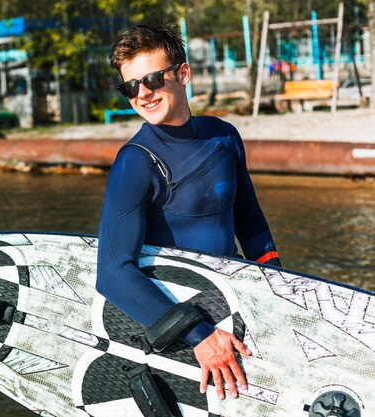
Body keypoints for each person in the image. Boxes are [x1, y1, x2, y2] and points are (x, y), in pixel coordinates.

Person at [96, 24, 281, 402]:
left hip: (232, 311)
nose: (143, 94)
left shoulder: (223, 136)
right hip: (179, 333)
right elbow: (113, 273)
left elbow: (250, 223)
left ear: (182, 74)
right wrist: (199, 335)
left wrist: (276, 292)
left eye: (152, 79)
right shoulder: (135, 163)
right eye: (130, 86)